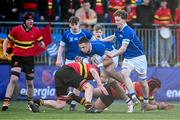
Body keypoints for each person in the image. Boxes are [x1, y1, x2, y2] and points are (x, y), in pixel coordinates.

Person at [106, 10, 149, 112]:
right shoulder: (119, 30)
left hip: (139, 58)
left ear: (125, 20)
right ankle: (133, 96)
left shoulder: (128, 31)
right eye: (115, 20)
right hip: (128, 58)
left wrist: (112, 54)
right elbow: (112, 37)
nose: (116, 22)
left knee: (143, 83)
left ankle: (146, 101)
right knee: (124, 73)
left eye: (118, 20)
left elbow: (123, 49)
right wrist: (100, 40)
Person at [1, 12, 45, 111]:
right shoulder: (16, 29)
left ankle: (30, 103)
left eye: (32, 19)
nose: (31, 21)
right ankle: (6, 103)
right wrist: (4, 52)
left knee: (30, 83)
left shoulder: (36, 31)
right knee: (13, 79)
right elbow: (6, 41)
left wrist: (42, 44)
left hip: (29, 59)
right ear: (24, 21)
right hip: (17, 57)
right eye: (29, 20)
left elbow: (40, 42)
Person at [30, 62, 108, 112]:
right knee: (89, 87)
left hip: (59, 74)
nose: (103, 82)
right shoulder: (96, 70)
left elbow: (79, 86)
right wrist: (101, 86)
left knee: (60, 105)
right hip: (67, 71)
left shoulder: (91, 75)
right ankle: (88, 107)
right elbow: (93, 72)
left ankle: (37, 103)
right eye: (104, 80)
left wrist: (74, 97)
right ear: (102, 75)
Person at [55, 16, 92, 111]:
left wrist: (90, 57)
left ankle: (73, 103)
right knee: (68, 83)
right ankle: (67, 99)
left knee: (78, 82)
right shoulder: (66, 34)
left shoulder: (85, 33)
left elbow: (92, 45)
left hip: (82, 61)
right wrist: (58, 59)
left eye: (76, 24)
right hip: (69, 61)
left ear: (79, 24)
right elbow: (61, 47)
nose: (74, 26)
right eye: (72, 24)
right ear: (69, 25)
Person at [154, 0, 173, 67]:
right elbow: (155, 21)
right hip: (161, 30)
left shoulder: (168, 10)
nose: (164, 3)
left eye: (164, 2)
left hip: (168, 30)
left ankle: (166, 61)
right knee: (161, 47)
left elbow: (171, 20)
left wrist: (170, 27)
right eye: (162, 2)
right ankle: (162, 61)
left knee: (168, 47)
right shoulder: (158, 11)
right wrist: (163, 24)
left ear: (166, 3)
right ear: (161, 3)